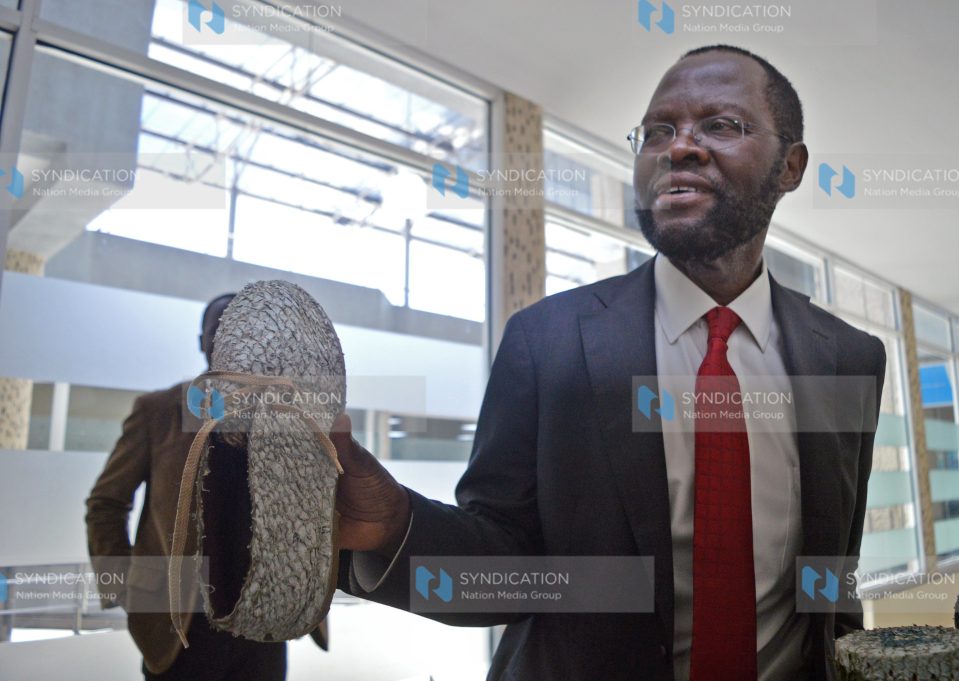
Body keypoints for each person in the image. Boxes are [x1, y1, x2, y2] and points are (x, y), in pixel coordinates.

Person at [328, 45, 886, 681]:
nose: (679, 148)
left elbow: (833, 571)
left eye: (721, 126)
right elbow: (509, 569)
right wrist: (395, 528)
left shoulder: (848, 357)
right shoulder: (548, 340)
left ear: (790, 166)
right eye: (657, 131)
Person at [85, 293, 329, 680]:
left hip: (263, 627)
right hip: (180, 629)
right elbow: (106, 504)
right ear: (202, 342)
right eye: (221, 331)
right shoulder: (160, 411)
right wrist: (124, 589)